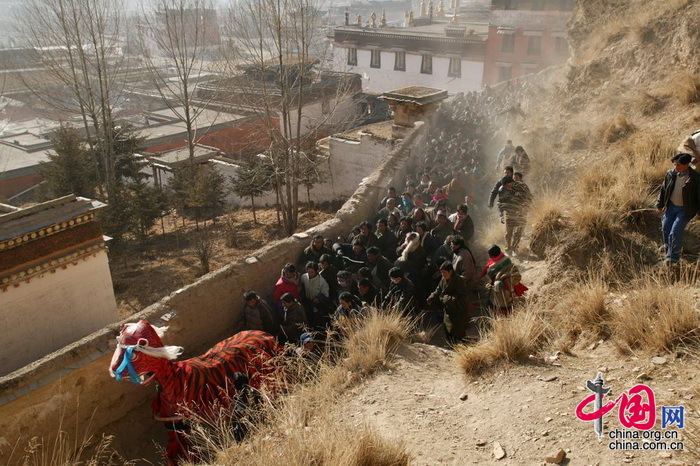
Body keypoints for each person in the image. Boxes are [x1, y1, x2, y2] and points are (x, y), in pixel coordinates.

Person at [656, 153, 700, 265]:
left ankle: (672, 258)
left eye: (679, 165)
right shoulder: (671, 173)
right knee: (666, 227)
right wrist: (660, 204)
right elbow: (664, 188)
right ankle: (667, 247)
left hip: (685, 210)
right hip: (671, 206)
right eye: (675, 164)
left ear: (686, 165)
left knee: (675, 232)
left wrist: (699, 213)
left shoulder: (695, 178)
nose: (676, 167)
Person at [427, 262, 469, 344]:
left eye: (444, 273)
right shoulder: (443, 279)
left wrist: (446, 299)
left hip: (458, 314)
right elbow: (439, 289)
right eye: (441, 273)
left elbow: (463, 299)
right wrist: (432, 296)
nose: (442, 275)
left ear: (451, 271)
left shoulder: (460, 282)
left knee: (457, 335)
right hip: (448, 312)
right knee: (448, 332)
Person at [481, 245, 524, 317]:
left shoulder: (492, 268)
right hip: (509, 289)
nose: (489, 257)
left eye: (489, 255)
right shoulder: (506, 260)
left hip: (499, 290)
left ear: (492, 256)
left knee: (490, 305)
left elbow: (487, 278)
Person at [300, 261, 332, 328]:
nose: (310, 274)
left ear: (316, 271)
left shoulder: (321, 281)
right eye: (309, 272)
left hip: (317, 305)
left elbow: (326, 294)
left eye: (312, 272)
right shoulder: (304, 277)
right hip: (307, 302)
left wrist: (318, 298)